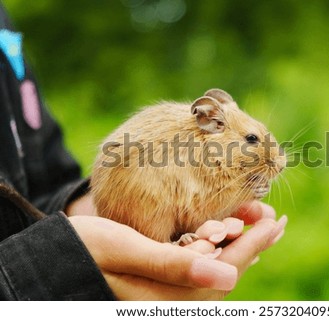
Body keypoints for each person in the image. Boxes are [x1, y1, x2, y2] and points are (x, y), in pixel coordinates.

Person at [0, 2, 286, 300]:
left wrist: (73, 208)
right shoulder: (208, 159)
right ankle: (161, 239)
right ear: (211, 123)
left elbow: (41, 183)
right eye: (251, 141)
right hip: (143, 196)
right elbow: (200, 207)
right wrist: (34, 275)